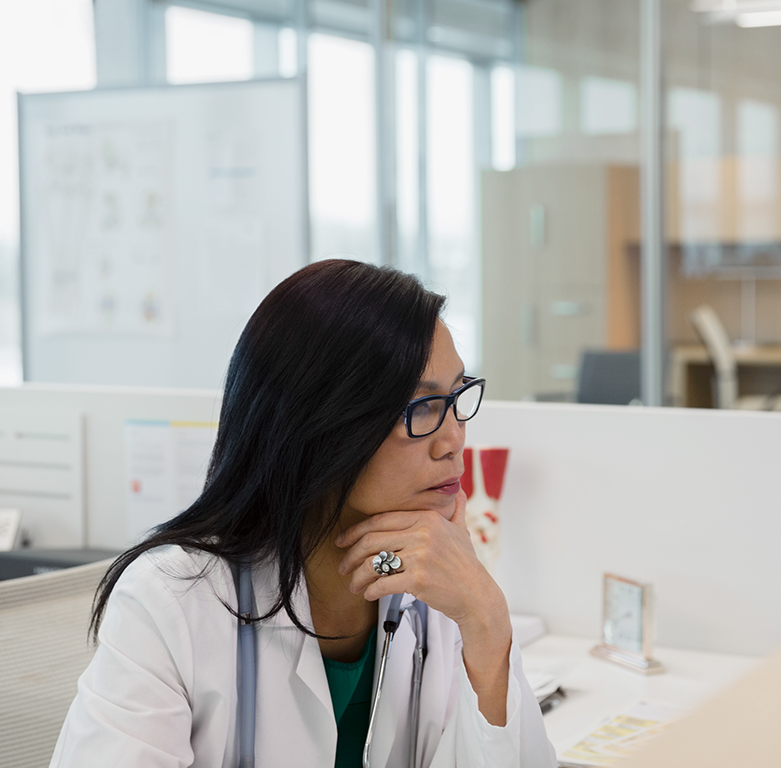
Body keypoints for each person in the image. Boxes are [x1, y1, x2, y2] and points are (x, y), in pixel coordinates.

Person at [50, 260, 555, 768]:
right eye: (420, 408)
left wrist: (487, 619)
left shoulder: (437, 584)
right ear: (322, 425)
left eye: (456, 397)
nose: (453, 440)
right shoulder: (171, 602)